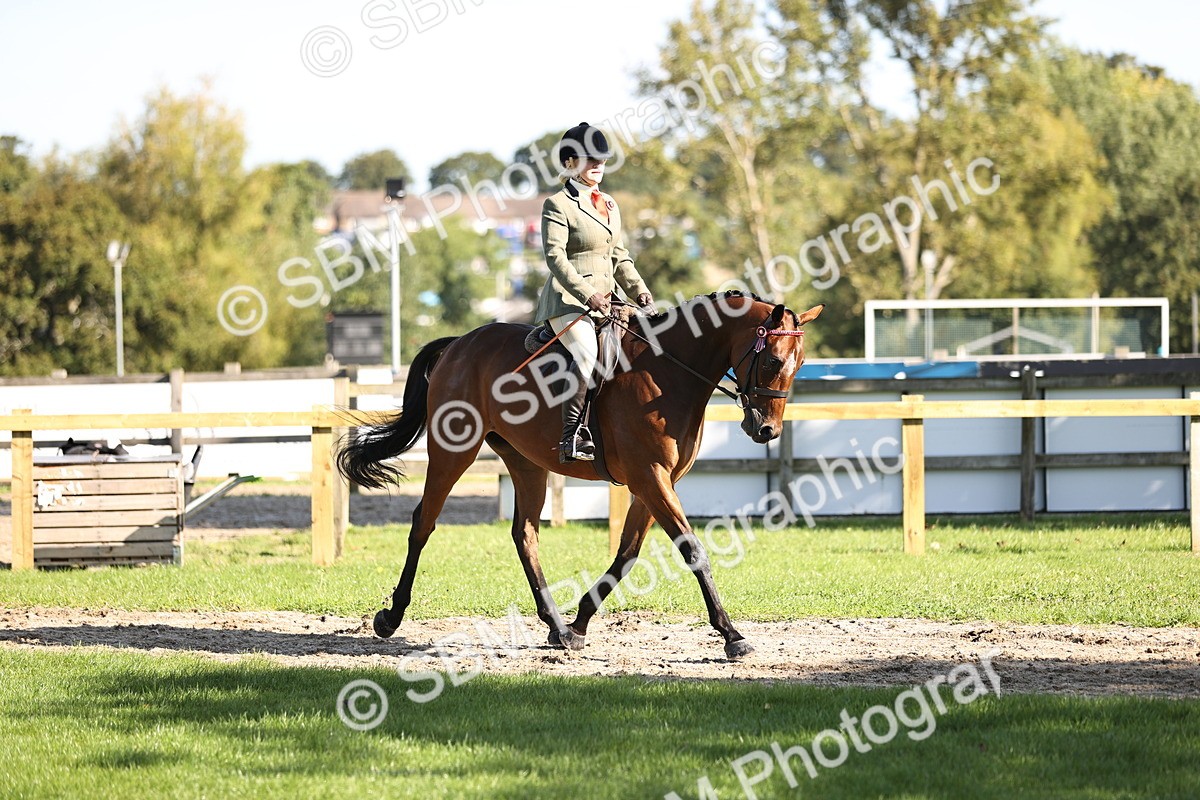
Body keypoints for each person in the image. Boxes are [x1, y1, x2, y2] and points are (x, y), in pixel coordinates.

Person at [533, 122, 655, 463]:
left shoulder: (610, 205)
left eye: (601, 159)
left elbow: (619, 255)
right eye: (589, 159)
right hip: (568, 301)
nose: (597, 165)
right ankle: (572, 435)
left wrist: (640, 291)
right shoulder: (558, 204)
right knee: (587, 354)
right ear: (571, 163)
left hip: (610, 301)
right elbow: (555, 258)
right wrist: (588, 294)